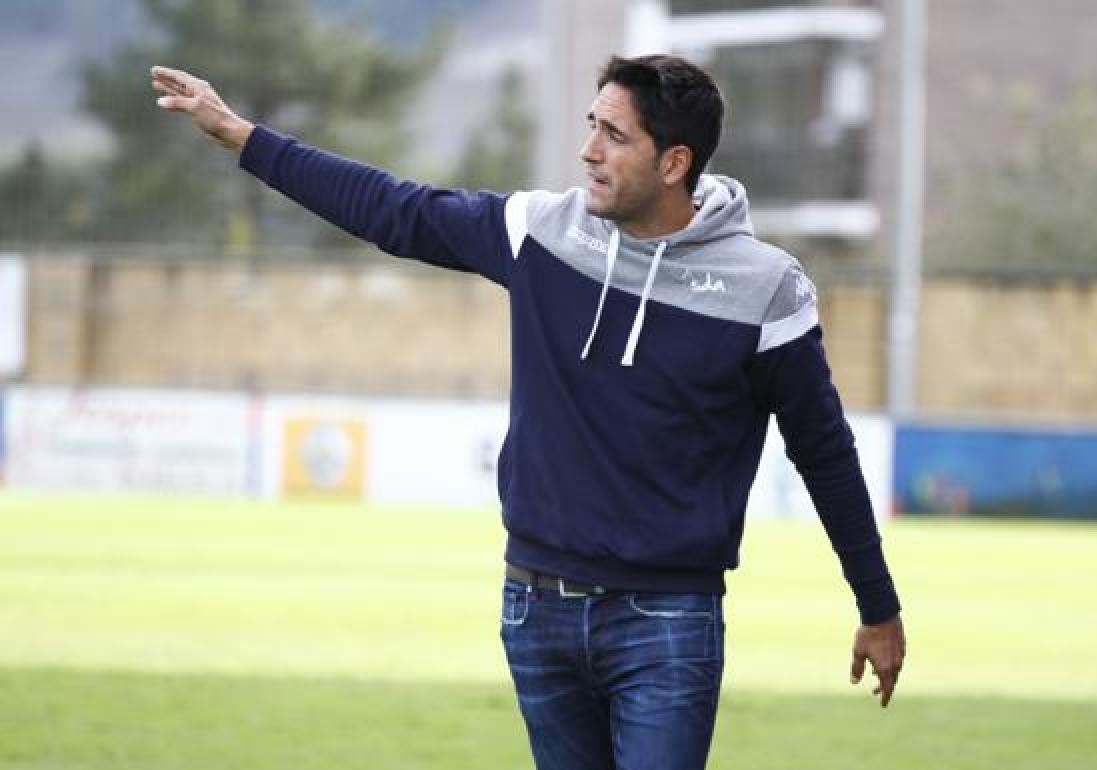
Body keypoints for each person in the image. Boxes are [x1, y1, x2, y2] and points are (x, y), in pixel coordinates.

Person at [152, 53, 905, 770]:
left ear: (674, 163)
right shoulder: (540, 230)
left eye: (614, 136)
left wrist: (877, 605)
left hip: (666, 623)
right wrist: (245, 138)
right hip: (534, 610)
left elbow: (824, 449)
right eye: (591, 126)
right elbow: (393, 209)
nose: (588, 152)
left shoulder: (766, 287)